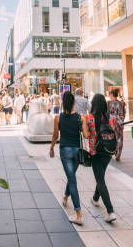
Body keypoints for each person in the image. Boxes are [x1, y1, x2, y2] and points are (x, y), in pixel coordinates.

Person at [49, 91, 89, 225]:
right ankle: (66, 197)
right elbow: (86, 135)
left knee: (72, 179)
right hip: (77, 152)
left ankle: (78, 215)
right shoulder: (80, 117)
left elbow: (55, 135)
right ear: (74, 103)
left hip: (65, 151)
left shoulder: (58, 118)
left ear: (62, 103)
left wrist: (51, 148)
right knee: (71, 177)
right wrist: (86, 125)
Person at [86, 93, 118, 223]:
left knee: (100, 180)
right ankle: (95, 198)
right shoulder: (110, 118)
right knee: (101, 177)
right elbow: (113, 132)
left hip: (95, 152)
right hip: (108, 151)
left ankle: (110, 211)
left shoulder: (89, 118)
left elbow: (86, 135)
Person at [107, 88, 125, 161]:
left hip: (110, 122)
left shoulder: (108, 103)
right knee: (119, 138)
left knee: (111, 137)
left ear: (111, 94)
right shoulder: (121, 103)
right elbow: (123, 113)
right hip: (119, 122)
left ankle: (111, 152)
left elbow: (106, 113)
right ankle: (118, 154)